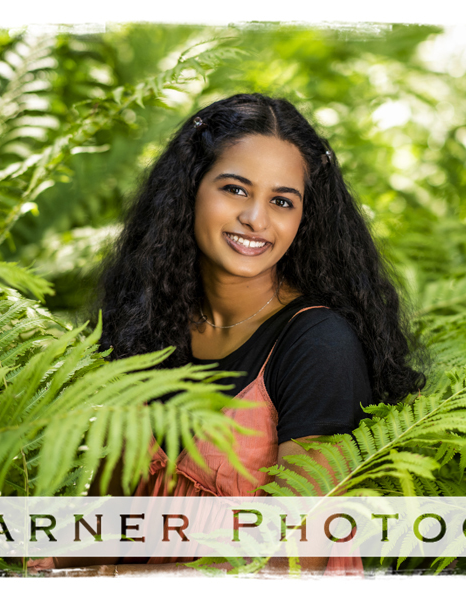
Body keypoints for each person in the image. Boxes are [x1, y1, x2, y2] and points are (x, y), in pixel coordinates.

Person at [48, 93, 425, 576]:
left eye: (282, 201)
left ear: (303, 218)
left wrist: (113, 580)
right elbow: (106, 527)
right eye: (236, 189)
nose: (257, 219)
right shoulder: (148, 326)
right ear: (190, 189)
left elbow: (292, 564)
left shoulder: (319, 344)